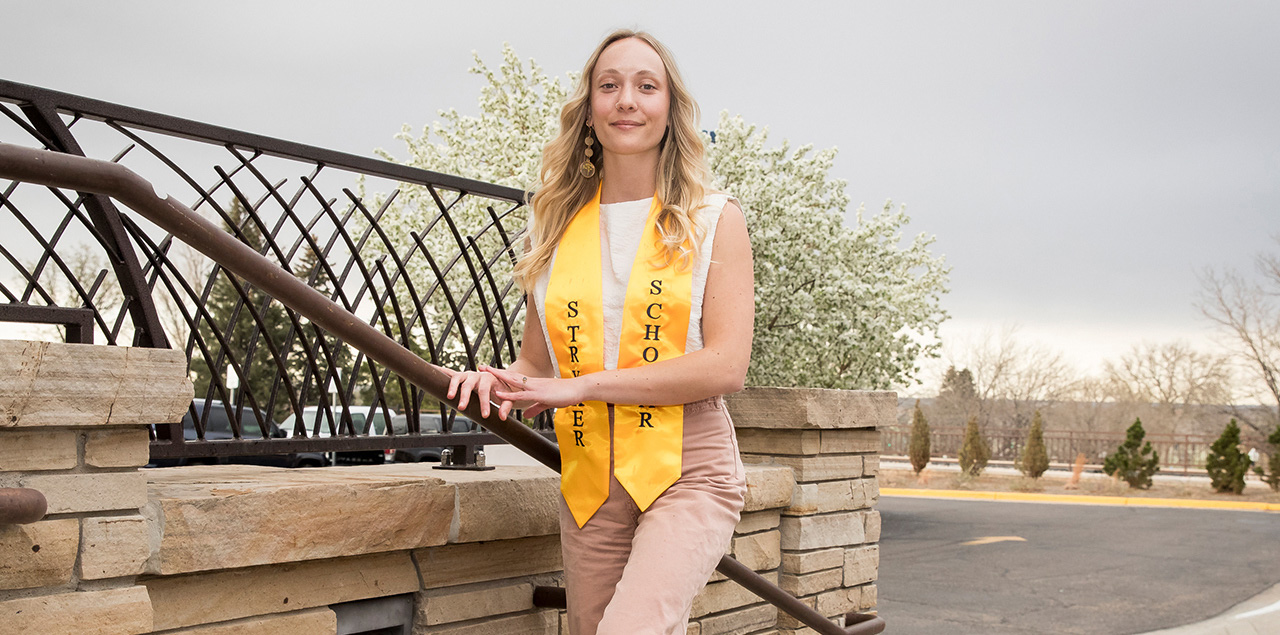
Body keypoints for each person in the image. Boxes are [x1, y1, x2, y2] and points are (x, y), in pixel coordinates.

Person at [443, 29, 755, 635]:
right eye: (608, 86)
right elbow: (538, 364)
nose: (627, 101)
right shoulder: (554, 228)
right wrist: (497, 381)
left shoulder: (712, 220)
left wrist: (584, 387)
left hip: (687, 465)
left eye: (646, 86)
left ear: (670, 108)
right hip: (590, 473)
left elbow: (725, 364)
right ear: (589, 110)